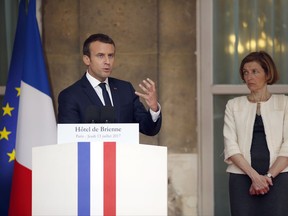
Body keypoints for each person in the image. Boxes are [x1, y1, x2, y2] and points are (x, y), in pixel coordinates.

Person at [223, 51, 288, 216]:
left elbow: (287, 147)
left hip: (279, 177)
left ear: (267, 74)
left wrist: (267, 177)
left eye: (254, 71)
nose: (249, 77)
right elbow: (231, 146)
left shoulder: (285, 102)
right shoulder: (233, 105)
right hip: (241, 177)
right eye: (245, 72)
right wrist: (255, 177)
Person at [58, 33, 161, 136]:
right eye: (100, 56)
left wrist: (154, 108)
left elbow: (148, 129)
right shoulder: (70, 96)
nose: (107, 61)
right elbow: (70, 139)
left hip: (123, 152)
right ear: (87, 59)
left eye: (110, 56)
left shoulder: (125, 89)